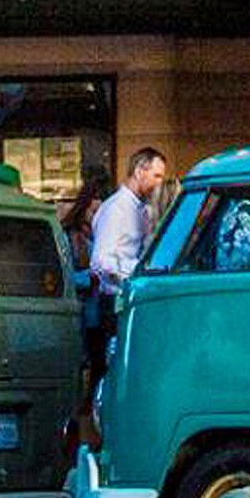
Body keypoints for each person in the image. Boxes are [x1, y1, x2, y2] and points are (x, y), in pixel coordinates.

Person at [82, 146, 167, 391]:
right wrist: (138, 272)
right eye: (156, 176)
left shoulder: (134, 208)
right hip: (116, 301)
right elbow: (101, 261)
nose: (158, 183)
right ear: (140, 171)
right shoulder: (117, 209)